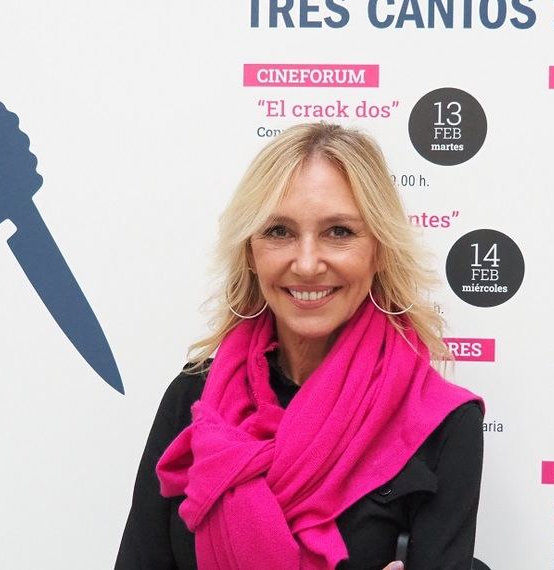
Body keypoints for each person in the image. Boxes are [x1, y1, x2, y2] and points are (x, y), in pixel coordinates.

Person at [115, 123, 484, 570]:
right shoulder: (193, 398)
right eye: (279, 231)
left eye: (339, 232)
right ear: (250, 253)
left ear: (380, 250)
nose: (307, 264)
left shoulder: (442, 425)